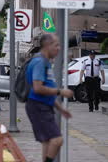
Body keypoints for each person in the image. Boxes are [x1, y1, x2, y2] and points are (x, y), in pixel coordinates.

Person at [25, 34, 74, 162]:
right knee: (57, 140)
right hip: (38, 107)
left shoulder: (45, 62)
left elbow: (47, 91)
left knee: (47, 142)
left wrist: (60, 109)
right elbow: (38, 88)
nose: (59, 48)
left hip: (43, 106)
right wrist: (61, 91)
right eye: (56, 45)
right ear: (47, 46)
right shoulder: (39, 62)